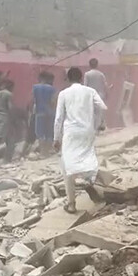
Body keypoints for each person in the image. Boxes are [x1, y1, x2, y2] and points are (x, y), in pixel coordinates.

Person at [53, 67, 107, 213]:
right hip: (87, 131)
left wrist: (56, 138)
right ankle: (92, 184)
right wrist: (99, 122)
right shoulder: (90, 91)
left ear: (68, 79)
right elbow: (102, 106)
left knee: (68, 167)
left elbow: (59, 118)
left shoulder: (63, 94)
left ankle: (71, 204)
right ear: (82, 78)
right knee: (87, 159)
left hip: (71, 133)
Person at [31, 71, 56, 157]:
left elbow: (33, 100)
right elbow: (53, 101)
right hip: (50, 112)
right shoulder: (52, 89)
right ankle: (47, 152)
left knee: (40, 133)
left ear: (41, 78)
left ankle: (42, 153)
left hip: (39, 112)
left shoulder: (35, 87)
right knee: (49, 133)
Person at [84, 58, 108, 130]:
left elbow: (85, 85)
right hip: (100, 95)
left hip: (90, 96)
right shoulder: (101, 74)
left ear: (89, 65)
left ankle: (93, 128)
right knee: (100, 112)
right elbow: (105, 84)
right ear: (97, 65)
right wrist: (107, 93)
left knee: (91, 113)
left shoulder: (87, 74)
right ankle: (99, 127)